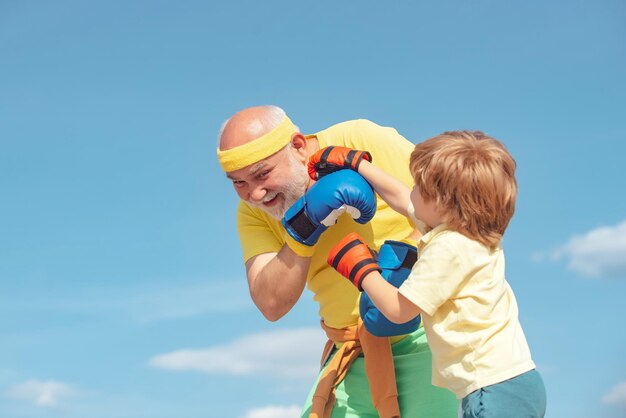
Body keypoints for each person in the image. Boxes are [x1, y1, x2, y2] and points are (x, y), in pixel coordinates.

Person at [216, 105, 459, 418]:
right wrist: (304, 226)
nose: (256, 193)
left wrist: (409, 270)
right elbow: (270, 303)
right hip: (351, 355)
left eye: (262, 174)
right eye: (239, 183)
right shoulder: (252, 213)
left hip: (429, 338)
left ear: (298, 146)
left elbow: (456, 208)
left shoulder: (358, 138)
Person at [315, 131, 547, 418]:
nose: (411, 189)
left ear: (442, 203)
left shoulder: (449, 248)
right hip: (508, 385)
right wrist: (357, 163)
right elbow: (400, 197)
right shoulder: (464, 232)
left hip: (493, 390)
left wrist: (361, 269)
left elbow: (399, 310)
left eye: (419, 186)